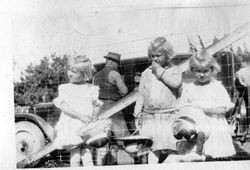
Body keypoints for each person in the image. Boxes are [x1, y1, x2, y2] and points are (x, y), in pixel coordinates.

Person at [176, 50, 236, 158]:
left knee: (213, 155)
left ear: (212, 69)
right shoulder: (188, 88)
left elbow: (222, 110)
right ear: (192, 70)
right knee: (196, 157)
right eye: (198, 71)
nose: (202, 74)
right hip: (195, 128)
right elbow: (182, 109)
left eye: (205, 71)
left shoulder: (217, 87)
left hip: (214, 128)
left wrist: (201, 110)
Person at [133, 37, 183, 163]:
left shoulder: (175, 70)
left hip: (169, 115)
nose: (155, 59)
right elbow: (141, 93)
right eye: (152, 56)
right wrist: (137, 111)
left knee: (172, 146)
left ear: (167, 55)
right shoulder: (146, 72)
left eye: (158, 55)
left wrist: (159, 72)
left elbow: (175, 84)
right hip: (150, 116)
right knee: (152, 147)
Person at [53, 55, 104, 167]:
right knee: (75, 155)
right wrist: (80, 116)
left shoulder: (91, 88)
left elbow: (97, 105)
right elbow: (64, 107)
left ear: (84, 74)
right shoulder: (65, 88)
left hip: (86, 125)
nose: (69, 73)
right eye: (69, 70)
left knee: (87, 154)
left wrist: (95, 114)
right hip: (72, 123)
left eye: (74, 72)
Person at [93, 52, 130, 165]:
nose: (117, 66)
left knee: (101, 140)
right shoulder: (114, 74)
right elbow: (124, 91)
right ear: (114, 62)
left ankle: (100, 165)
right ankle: (126, 165)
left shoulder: (96, 75)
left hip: (99, 109)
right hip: (113, 108)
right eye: (118, 63)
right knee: (122, 139)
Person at [235, 60, 250, 133]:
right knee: (244, 110)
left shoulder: (241, 71)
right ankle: (244, 130)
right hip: (245, 93)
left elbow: (238, 82)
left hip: (244, 92)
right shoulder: (242, 71)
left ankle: (245, 130)